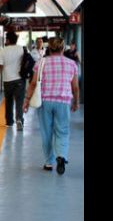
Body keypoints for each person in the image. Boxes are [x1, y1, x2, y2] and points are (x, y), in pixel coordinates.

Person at [23, 37, 80, 174]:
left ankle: (49, 162)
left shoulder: (41, 62)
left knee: (46, 132)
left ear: (49, 48)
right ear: (63, 48)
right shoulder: (71, 64)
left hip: (45, 102)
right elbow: (75, 87)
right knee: (62, 130)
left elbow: (33, 83)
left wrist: (26, 100)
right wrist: (76, 102)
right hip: (63, 102)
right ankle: (61, 156)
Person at [0, 31, 26, 130]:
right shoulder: (21, 49)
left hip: (8, 80)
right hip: (20, 80)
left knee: (9, 101)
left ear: (7, 40)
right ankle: (19, 119)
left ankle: (9, 122)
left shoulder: (3, 51)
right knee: (19, 101)